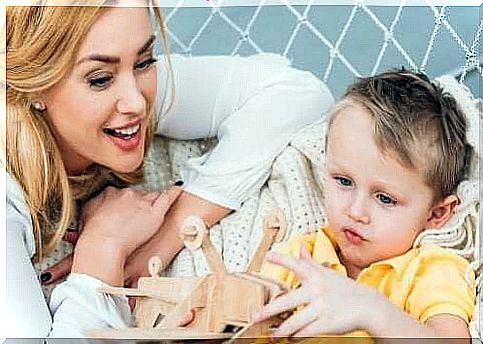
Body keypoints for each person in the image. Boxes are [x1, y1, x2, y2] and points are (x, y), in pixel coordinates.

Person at [4, 1, 334, 339]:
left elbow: (297, 94)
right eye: (101, 79)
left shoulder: (123, 87)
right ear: (33, 83)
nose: (136, 103)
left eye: (145, 61)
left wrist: (175, 226)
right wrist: (103, 248)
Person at [253, 69, 476, 341]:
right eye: (344, 181)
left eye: (385, 198)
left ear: (436, 214)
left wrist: (371, 310)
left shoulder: (430, 269)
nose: (355, 212)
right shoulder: (297, 259)